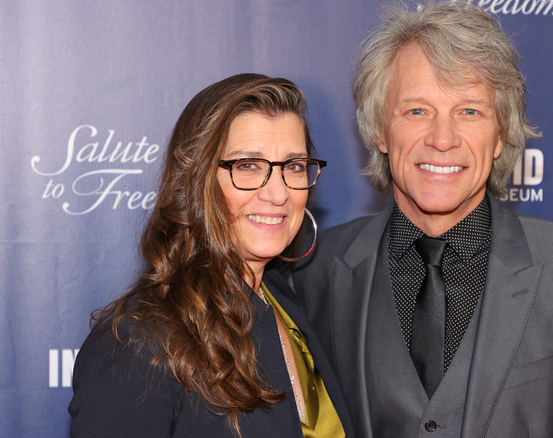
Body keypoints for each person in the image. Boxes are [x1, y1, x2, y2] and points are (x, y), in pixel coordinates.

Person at [293, 2, 553, 437]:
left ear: (501, 134)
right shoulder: (311, 272)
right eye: (417, 110)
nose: (442, 139)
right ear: (380, 130)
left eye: (470, 111)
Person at [69, 73, 353, 438]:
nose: (279, 193)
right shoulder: (140, 341)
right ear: (197, 179)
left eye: (293, 166)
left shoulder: (285, 303)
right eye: (248, 166)